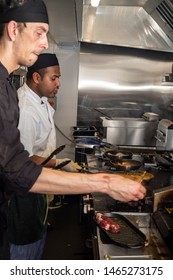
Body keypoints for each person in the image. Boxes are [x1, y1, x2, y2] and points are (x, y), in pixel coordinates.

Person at [0, 0, 146, 259]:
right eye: (40, 32)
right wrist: (105, 182)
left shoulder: (7, 89)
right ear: (13, 30)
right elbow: (17, 169)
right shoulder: (9, 94)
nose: (45, 41)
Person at [8, 53, 77, 260]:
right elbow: (22, 160)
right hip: (23, 191)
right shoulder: (26, 109)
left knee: (37, 237)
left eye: (59, 78)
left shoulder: (41, 100)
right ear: (37, 78)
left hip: (37, 183)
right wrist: (60, 163)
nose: (59, 84)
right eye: (53, 78)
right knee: (24, 245)